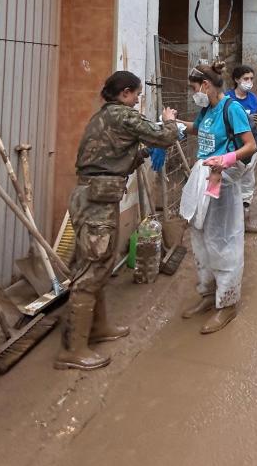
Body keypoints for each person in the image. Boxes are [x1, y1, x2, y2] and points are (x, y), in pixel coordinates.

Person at [55, 71, 180, 371]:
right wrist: (170, 120)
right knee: (91, 269)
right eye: (136, 94)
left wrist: (142, 152)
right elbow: (165, 135)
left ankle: (98, 329)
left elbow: (114, 156)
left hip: (96, 198)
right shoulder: (122, 115)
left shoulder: (105, 118)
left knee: (100, 264)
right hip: (96, 202)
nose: (138, 100)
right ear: (124, 93)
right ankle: (74, 350)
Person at [177, 60, 256, 333]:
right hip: (204, 178)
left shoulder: (231, 109)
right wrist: (173, 124)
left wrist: (226, 159)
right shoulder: (207, 109)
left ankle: (228, 304)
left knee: (223, 241)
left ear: (206, 85)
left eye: (194, 88)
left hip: (222, 180)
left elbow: (250, 145)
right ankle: (208, 295)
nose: (193, 93)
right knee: (201, 239)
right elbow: (199, 129)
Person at [226, 64, 257, 234]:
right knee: (229, 183)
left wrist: (254, 120)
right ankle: (229, 223)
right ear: (236, 80)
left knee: (248, 182)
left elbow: (254, 124)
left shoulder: (254, 99)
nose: (249, 82)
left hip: (251, 146)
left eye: (251, 79)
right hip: (231, 148)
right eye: (245, 79)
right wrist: (244, 117)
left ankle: (245, 221)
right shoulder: (226, 98)